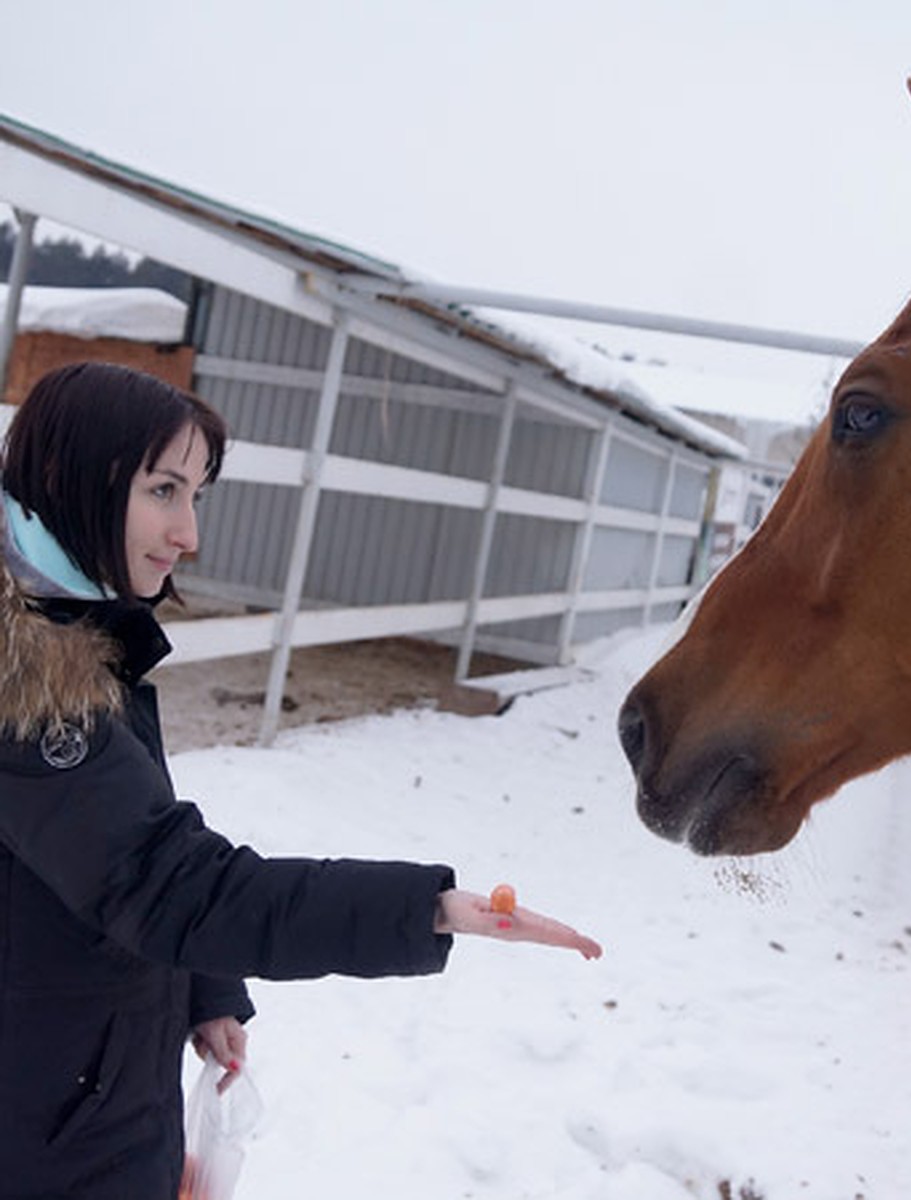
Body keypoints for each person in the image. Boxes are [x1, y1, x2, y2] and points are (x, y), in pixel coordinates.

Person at [0, 361, 602, 1199]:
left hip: (83, 1091)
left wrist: (202, 986)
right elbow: (172, 885)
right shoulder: (26, 689)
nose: (188, 534)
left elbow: (118, 846)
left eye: (196, 495)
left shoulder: (73, 627)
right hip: (49, 1135)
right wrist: (424, 909)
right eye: (164, 490)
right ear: (70, 478)